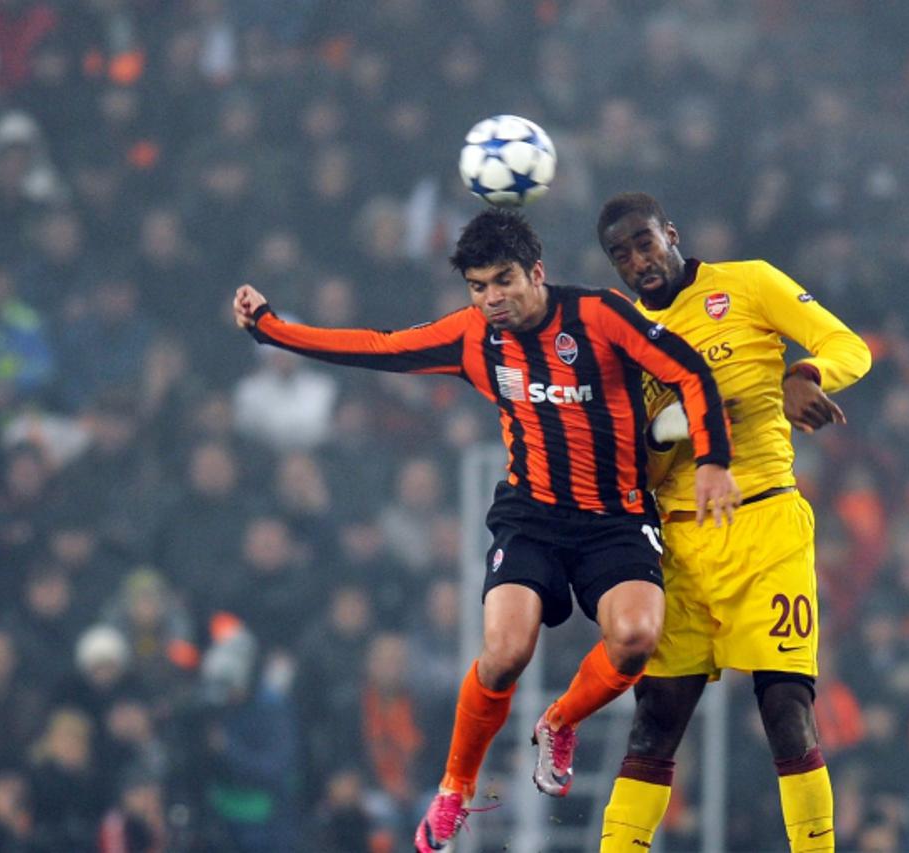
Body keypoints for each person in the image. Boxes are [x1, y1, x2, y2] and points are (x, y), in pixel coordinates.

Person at [232, 207, 741, 852]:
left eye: (504, 281)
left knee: (637, 640)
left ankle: (559, 721)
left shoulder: (598, 316)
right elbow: (378, 347)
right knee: (503, 655)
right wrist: (272, 329)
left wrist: (713, 462)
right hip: (532, 515)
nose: (492, 298)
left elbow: (688, 370)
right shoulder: (472, 336)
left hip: (616, 517)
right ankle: (455, 788)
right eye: (478, 286)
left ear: (536, 272)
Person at [593, 193, 871, 852]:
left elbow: (848, 346)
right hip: (678, 543)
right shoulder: (622, 340)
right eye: (621, 254)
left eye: (644, 242)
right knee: (655, 721)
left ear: (670, 234)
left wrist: (805, 372)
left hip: (765, 522)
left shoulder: (748, 283)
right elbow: (635, 469)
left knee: (785, 708)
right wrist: (667, 429)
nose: (638, 261)